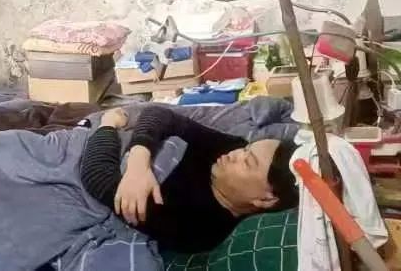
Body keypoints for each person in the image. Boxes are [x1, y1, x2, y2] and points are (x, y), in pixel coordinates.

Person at [80, 105, 299, 253]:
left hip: (91, 149)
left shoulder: (197, 228)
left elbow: (97, 177)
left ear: (266, 199)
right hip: (128, 140)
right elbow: (161, 115)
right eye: (246, 149)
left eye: (248, 162)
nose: (237, 154)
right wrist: (139, 159)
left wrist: (108, 124)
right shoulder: (229, 150)